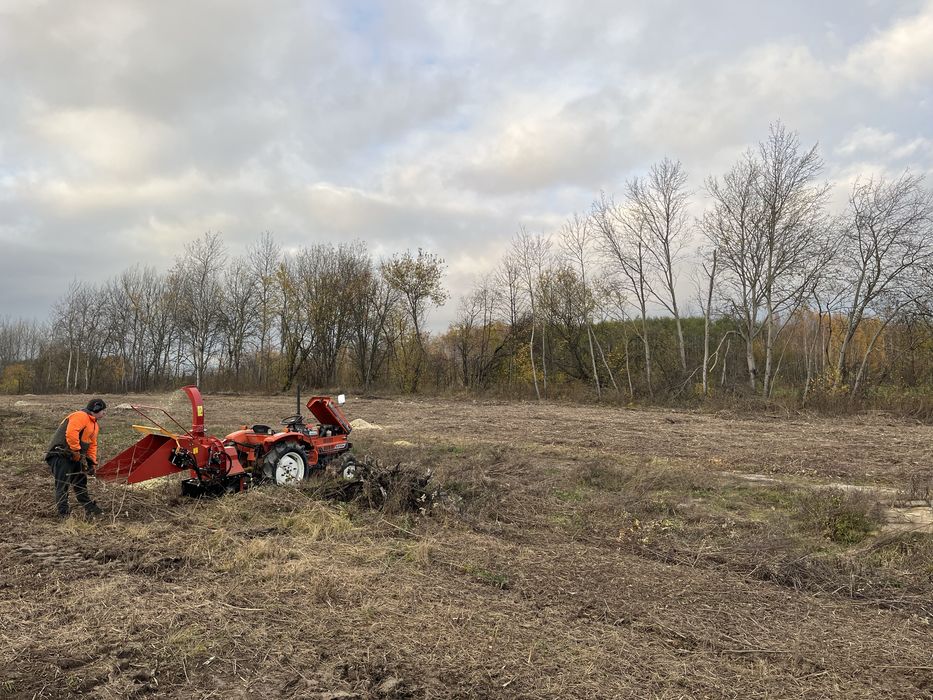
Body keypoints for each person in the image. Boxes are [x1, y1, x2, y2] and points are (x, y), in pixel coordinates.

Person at [45, 398, 107, 518]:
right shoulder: (80, 416)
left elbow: (92, 445)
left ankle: (90, 508)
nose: (104, 413)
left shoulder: (94, 425)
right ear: (96, 408)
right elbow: (71, 433)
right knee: (63, 485)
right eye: (103, 410)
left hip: (73, 456)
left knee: (80, 482)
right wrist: (76, 451)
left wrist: (92, 463)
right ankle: (64, 514)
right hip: (60, 455)